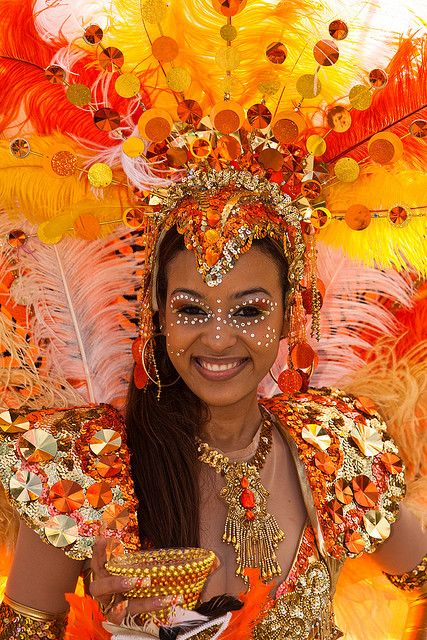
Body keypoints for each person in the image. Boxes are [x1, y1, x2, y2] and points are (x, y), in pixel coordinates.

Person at [0, 169, 425, 640]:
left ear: (290, 314)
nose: (219, 338)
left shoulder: (336, 448)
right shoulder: (84, 467)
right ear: (157, 314)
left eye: (249, 310)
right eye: (191, 309)